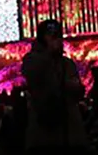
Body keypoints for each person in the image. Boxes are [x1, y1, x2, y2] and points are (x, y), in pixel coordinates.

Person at [21, 19, 88, 155]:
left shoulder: (67, 64)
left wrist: (75, 87)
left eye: (57, 37)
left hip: (69, 132)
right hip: (45, 132)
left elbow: (78, 91)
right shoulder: (33, 60)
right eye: (51, 37)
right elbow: (36, 79)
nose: (56, 41)